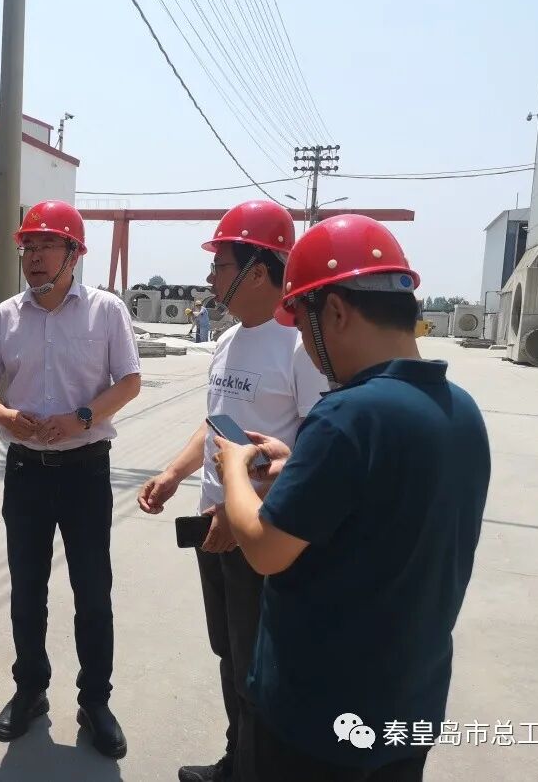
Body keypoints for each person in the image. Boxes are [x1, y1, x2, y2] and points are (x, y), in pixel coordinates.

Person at [212, 215, 491, 781]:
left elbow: (264, 549)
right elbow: (378, 509)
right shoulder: (461, 410)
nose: (308, 349)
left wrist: (234, 469)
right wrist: (300, 469)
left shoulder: (347, 415)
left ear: (335, 312)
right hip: (407, 703)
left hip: (317, 715)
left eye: (303, 322)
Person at [137, 201, 328, 782]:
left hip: (260, 533)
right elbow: (216, 421)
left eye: (221, 264)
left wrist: (243, 505)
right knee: (229, 652)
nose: (211, 276)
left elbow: (314, 451)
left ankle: (257, 769)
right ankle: (237, 760)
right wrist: (175, 473)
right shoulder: (228, 341)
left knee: (258, 664)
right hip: (215, 525)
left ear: (260, 270)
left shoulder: (300, 349)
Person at [0, 200, 142, 759]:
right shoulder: (5, 317)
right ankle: (30, 690)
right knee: (27, 589)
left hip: (85, 469)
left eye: (47, 245)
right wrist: (3, 413)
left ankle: (95, 702)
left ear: (74, 254)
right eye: (28, 246)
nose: (34, 256)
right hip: (26, 472)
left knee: (93, 591)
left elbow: (130, 380)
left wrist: (82, 417)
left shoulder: (105, 311)